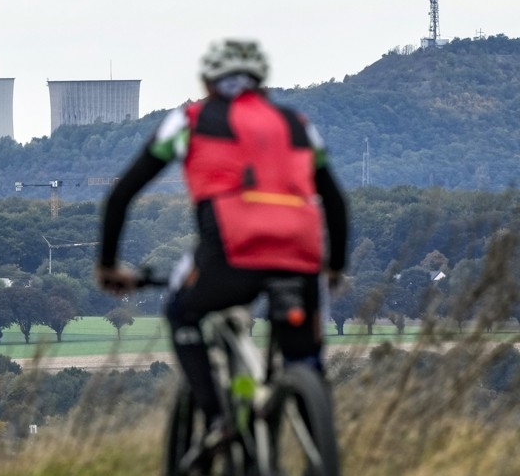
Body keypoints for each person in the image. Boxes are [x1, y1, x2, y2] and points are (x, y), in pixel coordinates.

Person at [95, 38, 348, 451]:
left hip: (233, 253)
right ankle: (320, 462)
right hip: (301, 254)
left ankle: (217, 419)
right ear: (261, 81)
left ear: (209, 82)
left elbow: (122, 194)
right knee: (304, 361)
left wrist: (108, 265)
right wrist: (334, 266)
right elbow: (335, 200)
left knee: (183, 311)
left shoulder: (191, 120)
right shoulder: (298, 123)